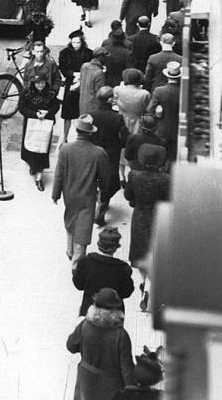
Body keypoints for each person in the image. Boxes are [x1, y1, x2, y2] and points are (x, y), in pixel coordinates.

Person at [52, 114, 112, 266]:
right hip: (87, 197)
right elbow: (105, 179)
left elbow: (59, 174)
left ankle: (69, 250)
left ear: (77, 130)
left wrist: (55, 194)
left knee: (71, 221)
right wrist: (104, 194)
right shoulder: (99, 153)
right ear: (91, 132)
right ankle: (77, 262)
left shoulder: (65, 149)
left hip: (69, 194)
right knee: (83, 229)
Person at [66, 287, 136, 400]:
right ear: (115, 309)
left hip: (85, 384)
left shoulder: (85, 325)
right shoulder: (121, 335)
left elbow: (70, 346)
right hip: (111, 389)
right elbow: (127, 371)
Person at [125, 145, 170, 311]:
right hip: (159, 219)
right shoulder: (166, 179)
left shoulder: (134, 176)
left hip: (140, 217)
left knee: (141, 251)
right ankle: (150, 287)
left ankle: (143, 282)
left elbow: (128, 195)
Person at [72, 227, 135, 315]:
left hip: (89, 311)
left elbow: (78, 285)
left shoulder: (86, 261)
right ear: (116, 247)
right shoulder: (123, 268)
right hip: (114, 314)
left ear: (99, 244)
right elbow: (127, 292)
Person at [89, 86, 129, 223]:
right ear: (109, 100)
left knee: (94, 178)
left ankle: (97, 198)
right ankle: (102, 204)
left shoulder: (92, 115)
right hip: (111, 153)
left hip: (94, 151)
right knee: (110, 182)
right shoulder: (117, 118)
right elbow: (125, 138)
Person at [18, 76, 61, 191]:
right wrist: (35, 114)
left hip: (45, 125)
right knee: (30, 147)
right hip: (31, 125)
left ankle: (39, 177)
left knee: (42, 149)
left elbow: (56, 105)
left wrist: (47, 113)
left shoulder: (50, 93)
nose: (40, 86)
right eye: (37, 83)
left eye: (42, 83)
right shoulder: (26, 93)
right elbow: (22, 108)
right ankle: (33, 166)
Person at [58, 29, 93, 143]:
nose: (76, 45)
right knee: (68, 112)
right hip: (70, 83)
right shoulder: (65, 53)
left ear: (82, 42)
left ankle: (81, 136)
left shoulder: (88, 53)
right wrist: (72, 74)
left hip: (83, 83)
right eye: (73, 43)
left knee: (81, 111)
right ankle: (65, 137)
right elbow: (62, 67)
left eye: (78, 43)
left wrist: (82, 75)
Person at [148, 62, 182, 161]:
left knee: (160, 157)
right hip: (177, 130)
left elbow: (150, 110)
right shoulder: (182, 91)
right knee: (173, 158)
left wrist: (157, 113)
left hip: (161, 130)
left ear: (167, 76)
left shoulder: (159, 91)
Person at [78, 47, 108, 119]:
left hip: (82, 103)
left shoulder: (84, 66)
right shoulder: (100, 73)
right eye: (105, 57)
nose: (107, 59)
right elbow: (100, 94)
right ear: (101, 57)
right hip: (93, 107)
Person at [102, 23, 132, 88]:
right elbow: (129, 68)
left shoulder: (106, 47)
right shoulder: (127, 51)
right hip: (122, 80)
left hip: (108, 78)